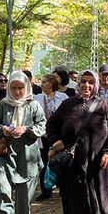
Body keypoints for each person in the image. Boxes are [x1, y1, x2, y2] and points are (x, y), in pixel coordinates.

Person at [46, 69, 108, 214]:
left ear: (95, 85)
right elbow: (51, 124)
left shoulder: (104, 106)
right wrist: (56, 141)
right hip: (74, 166)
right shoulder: (68, 104)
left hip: (98, 166)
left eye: (90, 82)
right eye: (83, 82)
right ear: (78, 84)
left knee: (100, 203)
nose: (86, 85)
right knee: (77, 205)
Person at [0, 70, 46, 214]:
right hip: (5, 154)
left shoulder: (33, 105)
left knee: (24, 197)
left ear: (26, 87)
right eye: (13, 88)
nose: (17, 92)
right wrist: (3, 129)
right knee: (2, 192)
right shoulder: (2, 105)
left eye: (21, 88)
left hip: (27, 156)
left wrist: (26, 129)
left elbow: (42, 125)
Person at [34, 73, 68, 201]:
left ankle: (63, 188)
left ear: (51, 83)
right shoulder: (37, 98)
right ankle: (45, 191)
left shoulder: (63, 97)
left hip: (59, 136)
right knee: (43, 163)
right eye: (41, 82)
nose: (41, 85)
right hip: (43, 136)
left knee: (61, 161)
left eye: (44, 82)